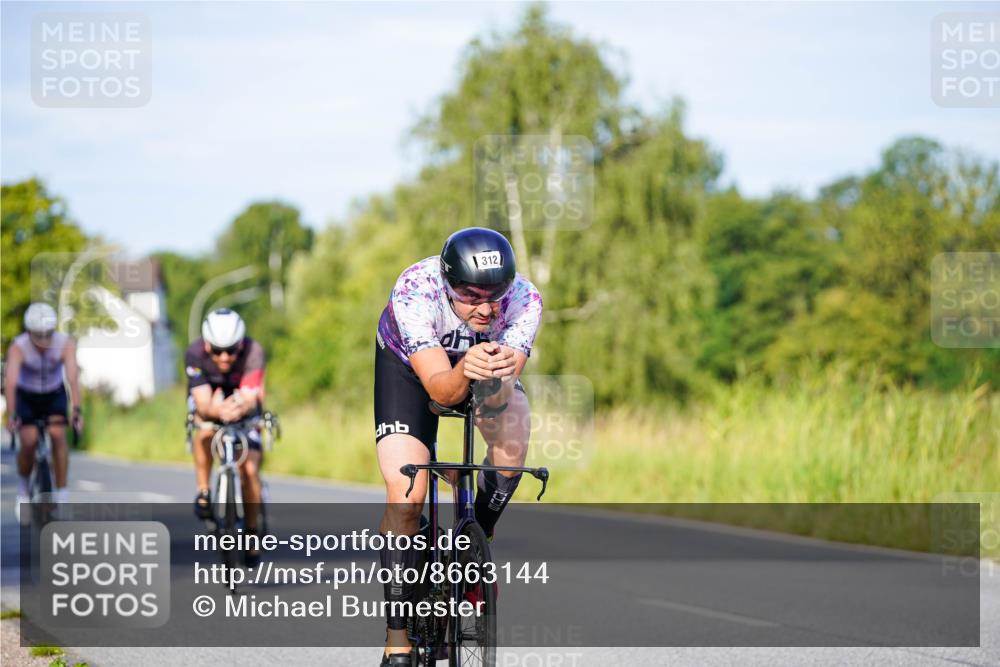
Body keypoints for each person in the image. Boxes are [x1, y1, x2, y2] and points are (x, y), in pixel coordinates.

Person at [374, 227, 543, 665]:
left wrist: (494, 390)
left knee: (513, 441)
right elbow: (441, 393)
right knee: (407, 496)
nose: (487, 308)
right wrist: (464, 367)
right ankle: (397, 638)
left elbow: (499, 399)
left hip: (483, 368)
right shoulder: (415, 291)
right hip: (412, 371)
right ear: (448, 283)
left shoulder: (525, 299)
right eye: (471, 296)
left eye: (496, 295)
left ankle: (476, 541)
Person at [185, 308, 266, 564]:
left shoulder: (254, 351)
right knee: (203, 429)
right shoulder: (194, 353)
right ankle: (203, 490)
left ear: (240, 343)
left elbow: (253, 396)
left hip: (243, 401)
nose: (224, 357)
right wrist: (216, 411)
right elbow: (202, 402)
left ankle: (251, 533)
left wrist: (241, 407)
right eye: (217, 350)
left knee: (250, 469)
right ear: (206, 344)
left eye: (231, 350)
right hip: (210, 400)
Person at [5, 303, 83, 514]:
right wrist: (12, 414)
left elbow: (73, 378)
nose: (43, 340)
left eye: (48, 334)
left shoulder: (64, 344)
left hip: (53, 393)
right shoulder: (18, 347)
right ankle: (23, 490)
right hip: (27, 395)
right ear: (29, 332)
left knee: (58, 434)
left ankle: (62, 494)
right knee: (28, 441)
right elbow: (11, 382)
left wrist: (77, 411)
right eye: (38, 335)